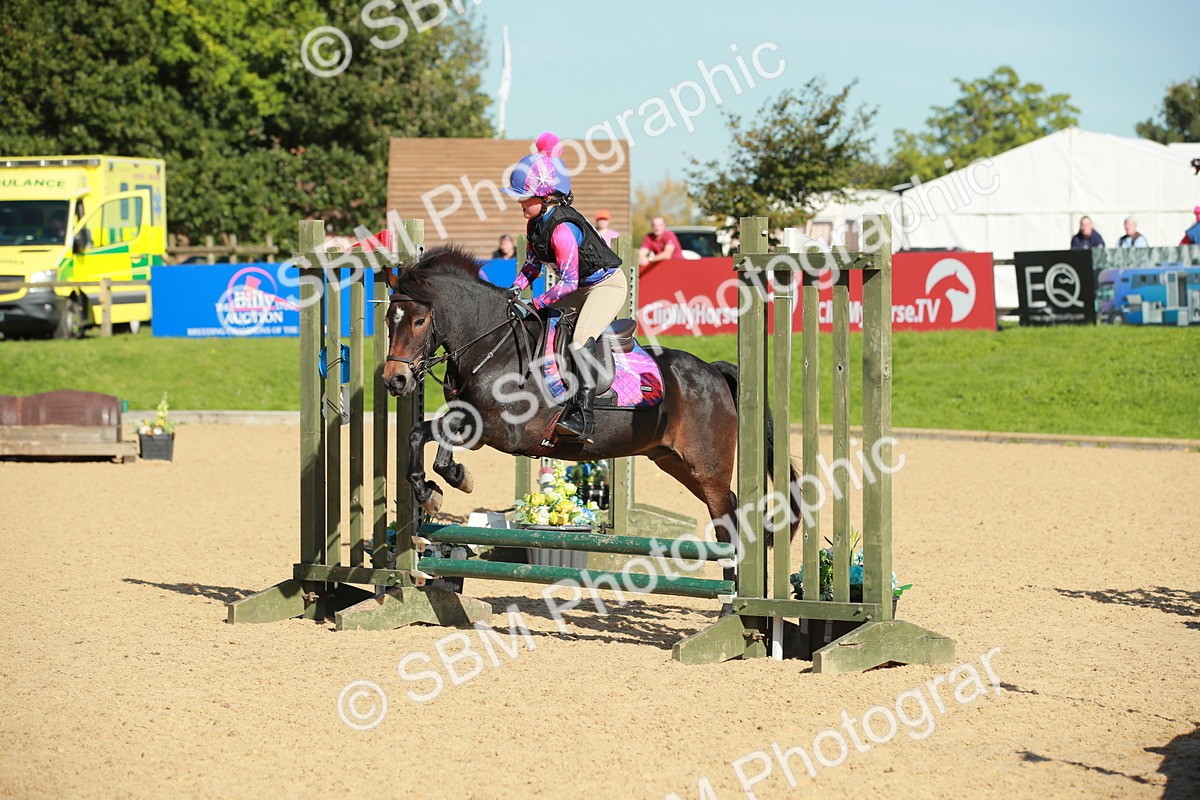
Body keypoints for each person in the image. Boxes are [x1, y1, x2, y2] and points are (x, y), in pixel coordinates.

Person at [501, 132, 628, 443]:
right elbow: (531, 266)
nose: (519, 202)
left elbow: (568, 282)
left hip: (604, 286)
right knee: (537, 327)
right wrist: (514, 290)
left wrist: (537, 301)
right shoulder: (534, 225)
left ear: (545, 198)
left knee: (581, 336)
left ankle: (584, 417)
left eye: (524, 197)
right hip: (578, 286)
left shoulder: (563, 231)